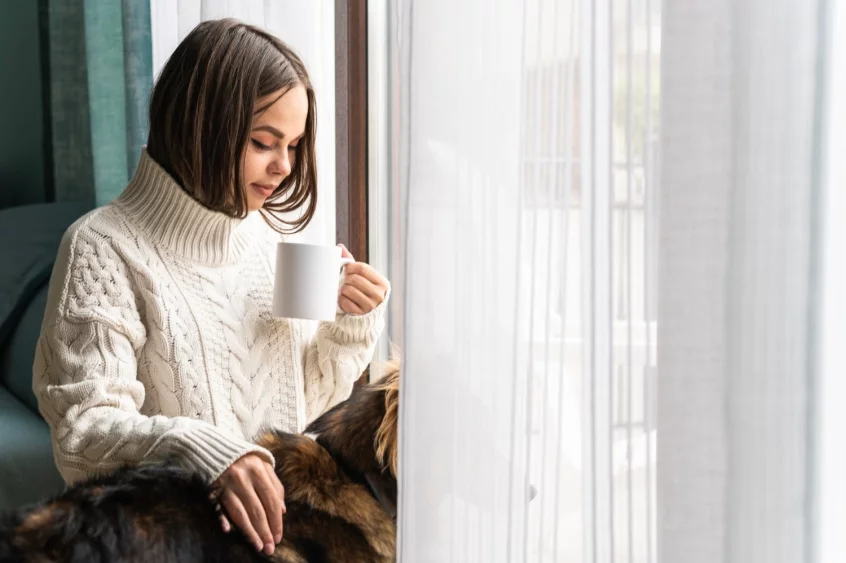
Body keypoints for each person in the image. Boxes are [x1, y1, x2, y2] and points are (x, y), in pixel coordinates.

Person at [32, 18, 390, 557]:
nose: (283, 168)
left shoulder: (266, 245)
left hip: (274, 543)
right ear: (200, 125)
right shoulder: (101, 248)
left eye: (293, 145)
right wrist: (203, 449)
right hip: (164, 545)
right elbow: (84, 434)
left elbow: (297, 407)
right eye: (263, 143)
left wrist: (349, 326)